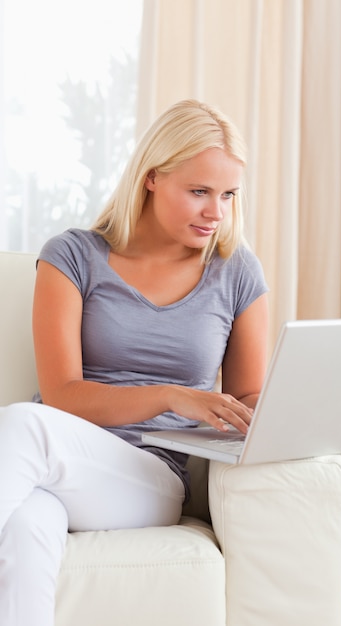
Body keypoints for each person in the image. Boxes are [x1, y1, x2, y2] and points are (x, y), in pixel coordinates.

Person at [0, 99, 269, 626]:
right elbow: (63, 395)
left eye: (228, 195)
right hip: (51, 460)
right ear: (151, 178)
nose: (216, 212)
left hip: (149, 480)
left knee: (21, 423)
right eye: (199, 192)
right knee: (27, 527)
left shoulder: (235, 272)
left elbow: (248, 398)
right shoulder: (73, 255)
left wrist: (281, 413)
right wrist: (173, 394)